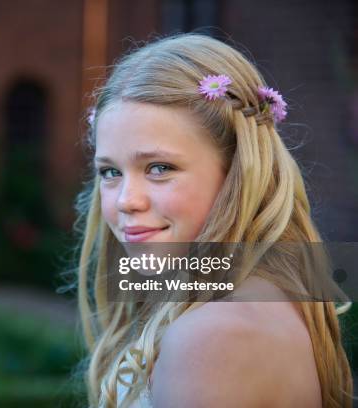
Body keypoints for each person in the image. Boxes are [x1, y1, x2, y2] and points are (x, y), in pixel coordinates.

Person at [73, 33, 353, 407]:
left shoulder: (216, 334)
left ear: (237, 171)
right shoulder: (260, 300)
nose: (126, 201)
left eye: (159, 168)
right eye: (110, 172)